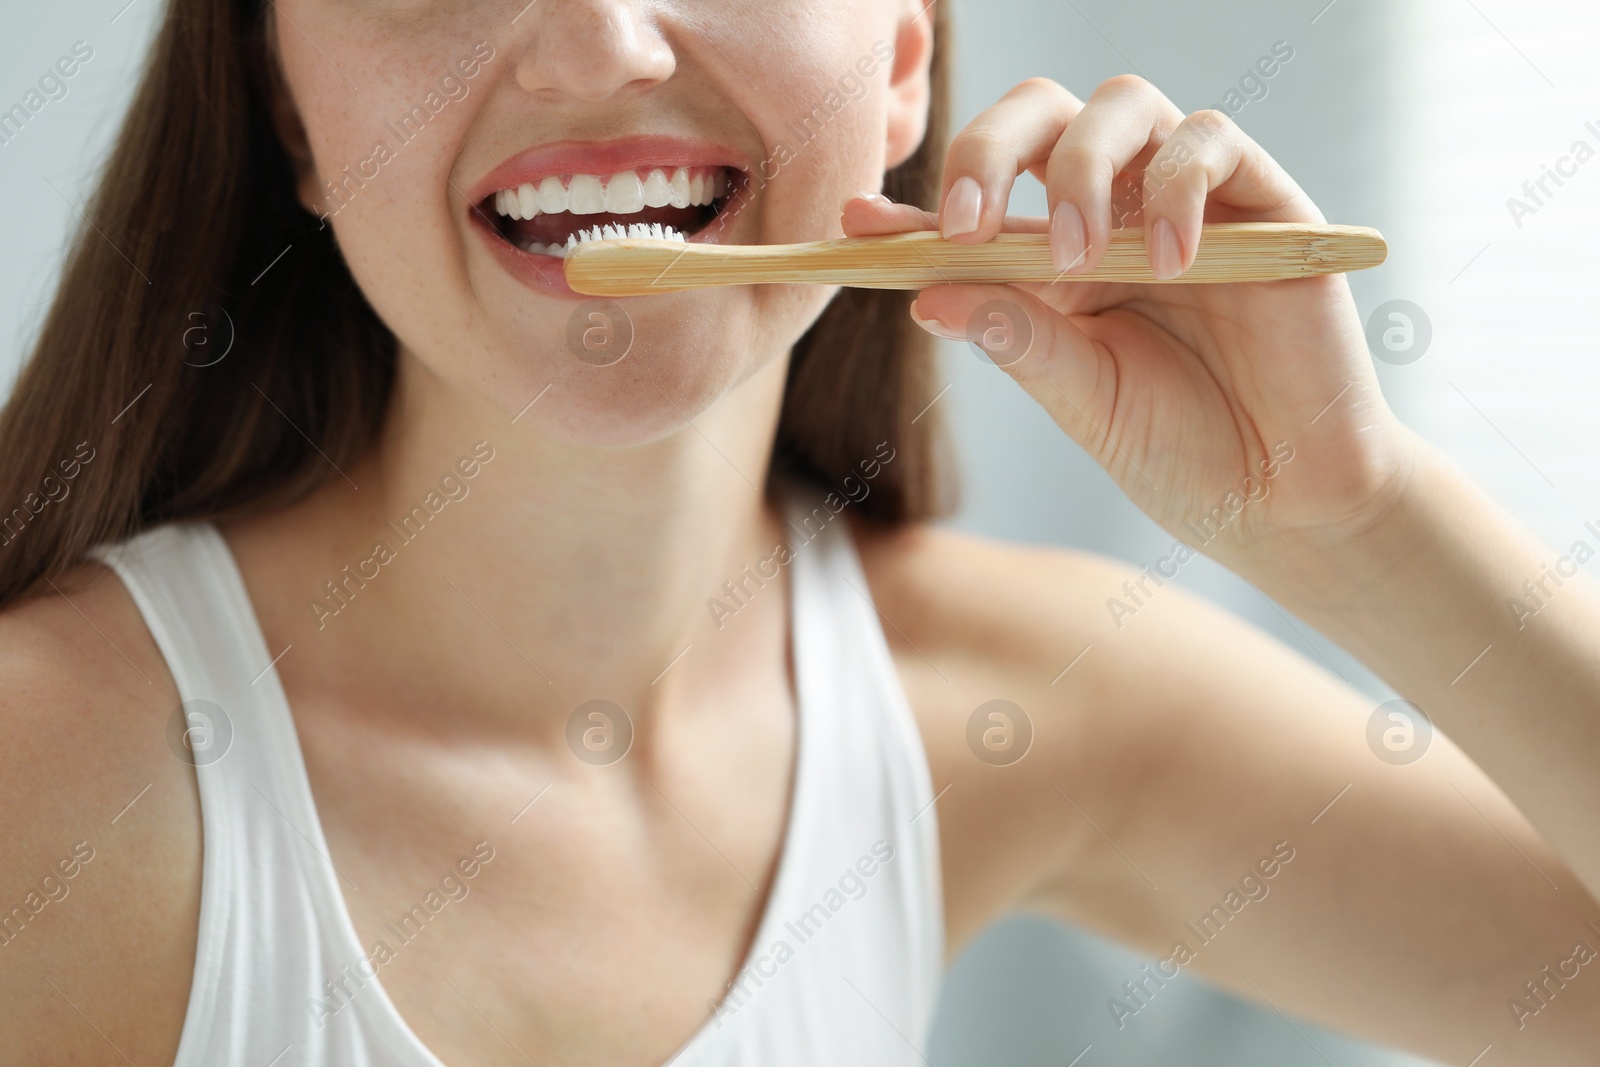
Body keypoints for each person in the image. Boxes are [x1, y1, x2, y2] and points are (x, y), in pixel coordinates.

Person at [2, 0, 1598, 1064]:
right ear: (289, 108)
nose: (599, 48)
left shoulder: (1003, 703)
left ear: (904, 54)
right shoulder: (46, 774)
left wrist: (1349, 515)